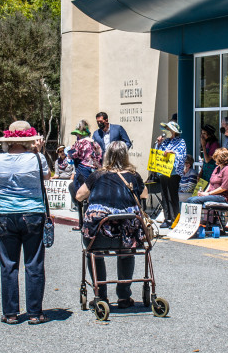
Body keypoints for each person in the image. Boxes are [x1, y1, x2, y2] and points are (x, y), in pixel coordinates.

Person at [76, 141, 148, 308]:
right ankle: (123, 296)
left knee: (93, 253)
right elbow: (144, 194)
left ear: (107, 156)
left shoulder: (97, 175)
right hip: (127, 236)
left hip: (99, 235)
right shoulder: (133, 176)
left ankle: (101, 295)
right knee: (126, 252)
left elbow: (79, 195)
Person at [0, 121, 51, 325]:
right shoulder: (37, 157)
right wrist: (38, 151)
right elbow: (47, 177)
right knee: (33, 263)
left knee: (8, 264)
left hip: (5, 213)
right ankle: (34, 312)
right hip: (32, 212)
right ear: (29, 139)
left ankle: (10, 313)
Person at [185, 147, 228, 228]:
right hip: (212, 195)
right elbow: (211, 183)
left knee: (194, 201)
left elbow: (223, 188)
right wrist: (204, 193)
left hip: (222, 197)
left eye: (216, 158)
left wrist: (208, 194)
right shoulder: (217, 168)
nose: (214, 160)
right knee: (189, 200)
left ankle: (193, 225)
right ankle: (188, 224)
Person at [68, 121, 102, 223]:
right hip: (96, 171)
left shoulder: (79, 143)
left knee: (80, 195)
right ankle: (92, 219)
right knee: (92, 195)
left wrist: (69, 152)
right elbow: (100, 158)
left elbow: (72, 155)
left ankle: (81, 223)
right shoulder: (95, 143)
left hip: (82, 170)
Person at [155, 121, 187, 228]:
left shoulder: (181, 141)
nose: (167, 131)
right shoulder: (165, 141)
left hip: (174, 172)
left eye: (169, 129)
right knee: (164, 195)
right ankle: (167, 218)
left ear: (174, 131)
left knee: (172, 195)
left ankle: (175, 219)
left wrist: (172, 153)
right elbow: (157, 153)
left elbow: (182, 155)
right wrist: (158, 144)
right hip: (163, 171)